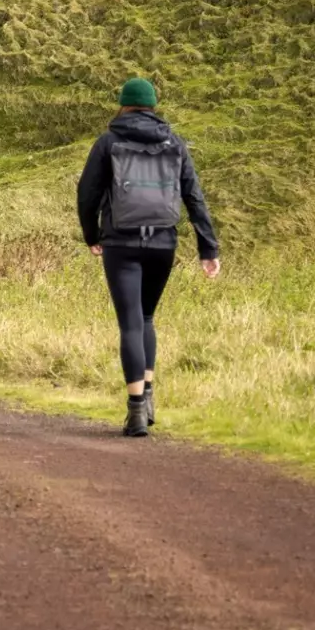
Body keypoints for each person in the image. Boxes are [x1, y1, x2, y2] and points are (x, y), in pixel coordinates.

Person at [77, 77, 221, 438]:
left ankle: (136, 410)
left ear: (123, 105)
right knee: (146, 317)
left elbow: (87, 194)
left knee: (129, 323)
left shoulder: (108, 142)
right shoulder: (175, 143)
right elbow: (194, 196)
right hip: (163, 243)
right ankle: (150, 394)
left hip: (120, 243)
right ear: (153, 105)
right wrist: (208, 249)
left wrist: (92, 236)